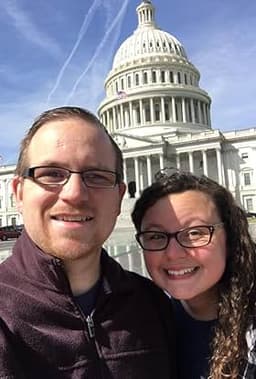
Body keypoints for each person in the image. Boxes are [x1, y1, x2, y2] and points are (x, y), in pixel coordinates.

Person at [0, 107, 176, 379]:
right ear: (18, 193)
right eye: (51, 173)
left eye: (96, 175)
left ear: (119, 198)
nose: (74, 194)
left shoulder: (154, 305)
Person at [131, 170, 256, 378]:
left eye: (195, 233)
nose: (173, 254)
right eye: (156, 236)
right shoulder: (145, 322)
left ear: (230, 237)